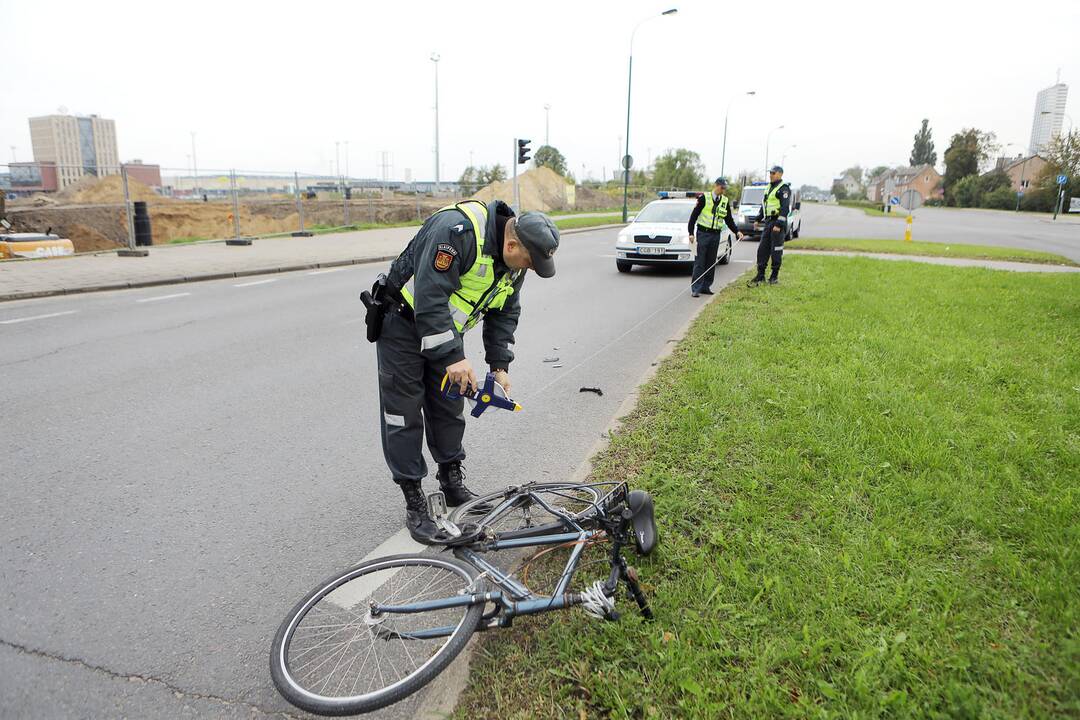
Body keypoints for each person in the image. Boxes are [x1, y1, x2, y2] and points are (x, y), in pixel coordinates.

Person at [369, 199, 559, 544]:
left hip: (442, 334)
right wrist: (454, 357)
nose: (528, 269)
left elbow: (505, 311)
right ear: (512, 244)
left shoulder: (512, 262)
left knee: (448, 406)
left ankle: (452, 483)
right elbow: (429, 297)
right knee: (404, 412)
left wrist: (499, 366)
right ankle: (415, 502)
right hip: (403, 325)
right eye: (530, 262)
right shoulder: (455, 232)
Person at [687, 177, 743, 297]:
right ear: (716, 185)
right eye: (722, 187)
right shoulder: (704, 198)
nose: (723, 190)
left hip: (715, 235)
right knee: (700, 262)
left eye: (724, 188)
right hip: (703, 233)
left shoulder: (724, 201)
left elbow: (729, 220)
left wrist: (737, 232)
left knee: (711, 262)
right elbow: (693, 216)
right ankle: (696, 288)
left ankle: (706, 286)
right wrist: (691, 233)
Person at [749, 165, 791, 286]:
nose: (770, 175)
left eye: (773, 173)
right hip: (768, 222)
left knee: (776, 250)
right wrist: (757, 219)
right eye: (770, 173)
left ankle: (774, 276)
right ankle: (760, 275)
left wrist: (779, 224)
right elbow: (764, 206)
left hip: (777, 223)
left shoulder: (783, 189)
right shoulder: (768, 188)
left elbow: (785, 208)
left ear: (780, 174)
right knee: (762, 249)